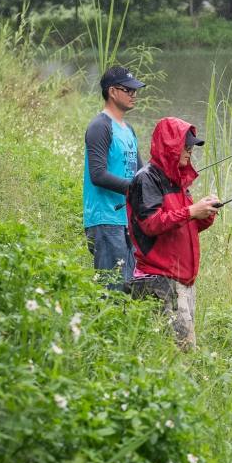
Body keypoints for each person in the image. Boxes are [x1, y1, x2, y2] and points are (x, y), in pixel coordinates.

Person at [127, 117, 219, 349]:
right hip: (162, 279)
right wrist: (190, 211)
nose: (189, 153)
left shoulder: (177, 180)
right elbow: (151, 224)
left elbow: (187, 225)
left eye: (191, 148)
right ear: (171, 147)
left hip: (183, 280)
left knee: (181, 351)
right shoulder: (146, 179)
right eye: (185, 147)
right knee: (178, 353)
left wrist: (205, 213)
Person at [83, 64, 145, 288]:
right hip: (105, 220)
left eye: (135, 90)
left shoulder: (128, 129)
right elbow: (97, 174)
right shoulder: (100, 126)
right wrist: (134, 189)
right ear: (112, 91)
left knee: (128, 288)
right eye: (128, 90)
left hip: (126, 221)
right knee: (112, 292)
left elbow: (140, 173)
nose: (133, 95)